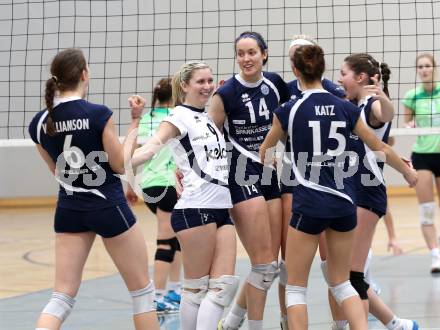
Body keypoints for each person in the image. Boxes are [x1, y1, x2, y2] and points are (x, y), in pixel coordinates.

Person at [260, 44, 417, 330]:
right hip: (345, 203)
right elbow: (378, 145)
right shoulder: (346, 107)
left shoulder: (288, 109)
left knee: (296, 288)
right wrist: (407, 171)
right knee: (343, 282)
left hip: (309, 202)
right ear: (324, 70)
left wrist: (277, 160)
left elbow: (265, 151)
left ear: (295, 71)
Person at [28, 48, 159, 330]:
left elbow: (55, 170)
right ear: (84, 75)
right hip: (108, 205)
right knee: (142, 293)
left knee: (61, 297)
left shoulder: (38, 122)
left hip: (69, 209)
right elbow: (120, 164)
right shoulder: (98, 114)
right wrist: (135, 120)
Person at [132, 61, 238, 330]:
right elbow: (153, 146)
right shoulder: (177, 117)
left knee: (223, 286)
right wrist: (121, 163)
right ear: (185, 85)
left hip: (221, 208)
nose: (207, 86)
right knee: (196, 289)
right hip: (195, 208)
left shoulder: (207, 117)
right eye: (200, 81)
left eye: (210, 81)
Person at [328, 53, 419, 330]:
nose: (339, 78)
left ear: (360, 78)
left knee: (352, 277)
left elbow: (385, 115)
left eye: (343, 73)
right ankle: (397, 324)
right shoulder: (352, 103)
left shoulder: (370, 105)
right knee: (346, 276)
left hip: (366, 193)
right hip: (353, 190)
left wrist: (382, 97)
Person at [211, 31, 290, 330]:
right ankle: (248, 325)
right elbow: (209, 138)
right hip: (239, 175)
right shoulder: (226, 94)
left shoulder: (275, 83)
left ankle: (231, 323)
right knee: (263, 264)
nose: (246, 59)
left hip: (270, 173)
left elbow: (290, 118)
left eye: (252, 52)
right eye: (241, 53)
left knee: (271, 266)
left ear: (264, 54)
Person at [278, 34, 347, 329]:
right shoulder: (283, 91)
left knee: (329, 259)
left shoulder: (332, 91)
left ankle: (339, 321)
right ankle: (285, 319)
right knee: (288, 260)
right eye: (295, 53)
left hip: (325, 176)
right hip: (292, 175)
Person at [125, 78, 182, 312]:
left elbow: (131, 153)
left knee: (176, 238)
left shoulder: (147, 119)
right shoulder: (175, 118)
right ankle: (157, 296)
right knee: (166, 241)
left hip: (148, 186)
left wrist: (129, 186)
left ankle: (175, 290)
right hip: (168, 184)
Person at [403, 53, 440, 273]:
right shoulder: (412, 96)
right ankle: (435, 255)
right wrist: (410, 124)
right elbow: (406, 122)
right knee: (427, 209)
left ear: (434, 68)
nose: (424, 69)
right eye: (420, 66)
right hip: (423, 156)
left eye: (428, 66)